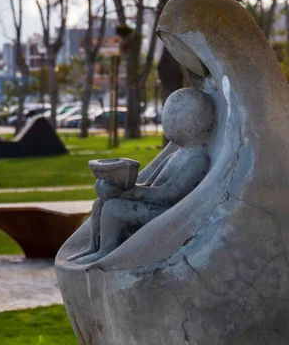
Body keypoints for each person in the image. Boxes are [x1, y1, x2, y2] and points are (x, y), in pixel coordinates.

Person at [68, 88, 214, 265]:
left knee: (115, 208)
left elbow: (168, 195)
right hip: (157, 206)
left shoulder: (197, 159)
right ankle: (94, 247)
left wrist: (130, 193)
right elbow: (152, 185)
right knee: (100, 203)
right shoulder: (178, 153)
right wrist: (120, 184)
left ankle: (106, 251)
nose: (167, 121)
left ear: (196, 121)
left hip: (171, 216)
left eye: (176, 115)